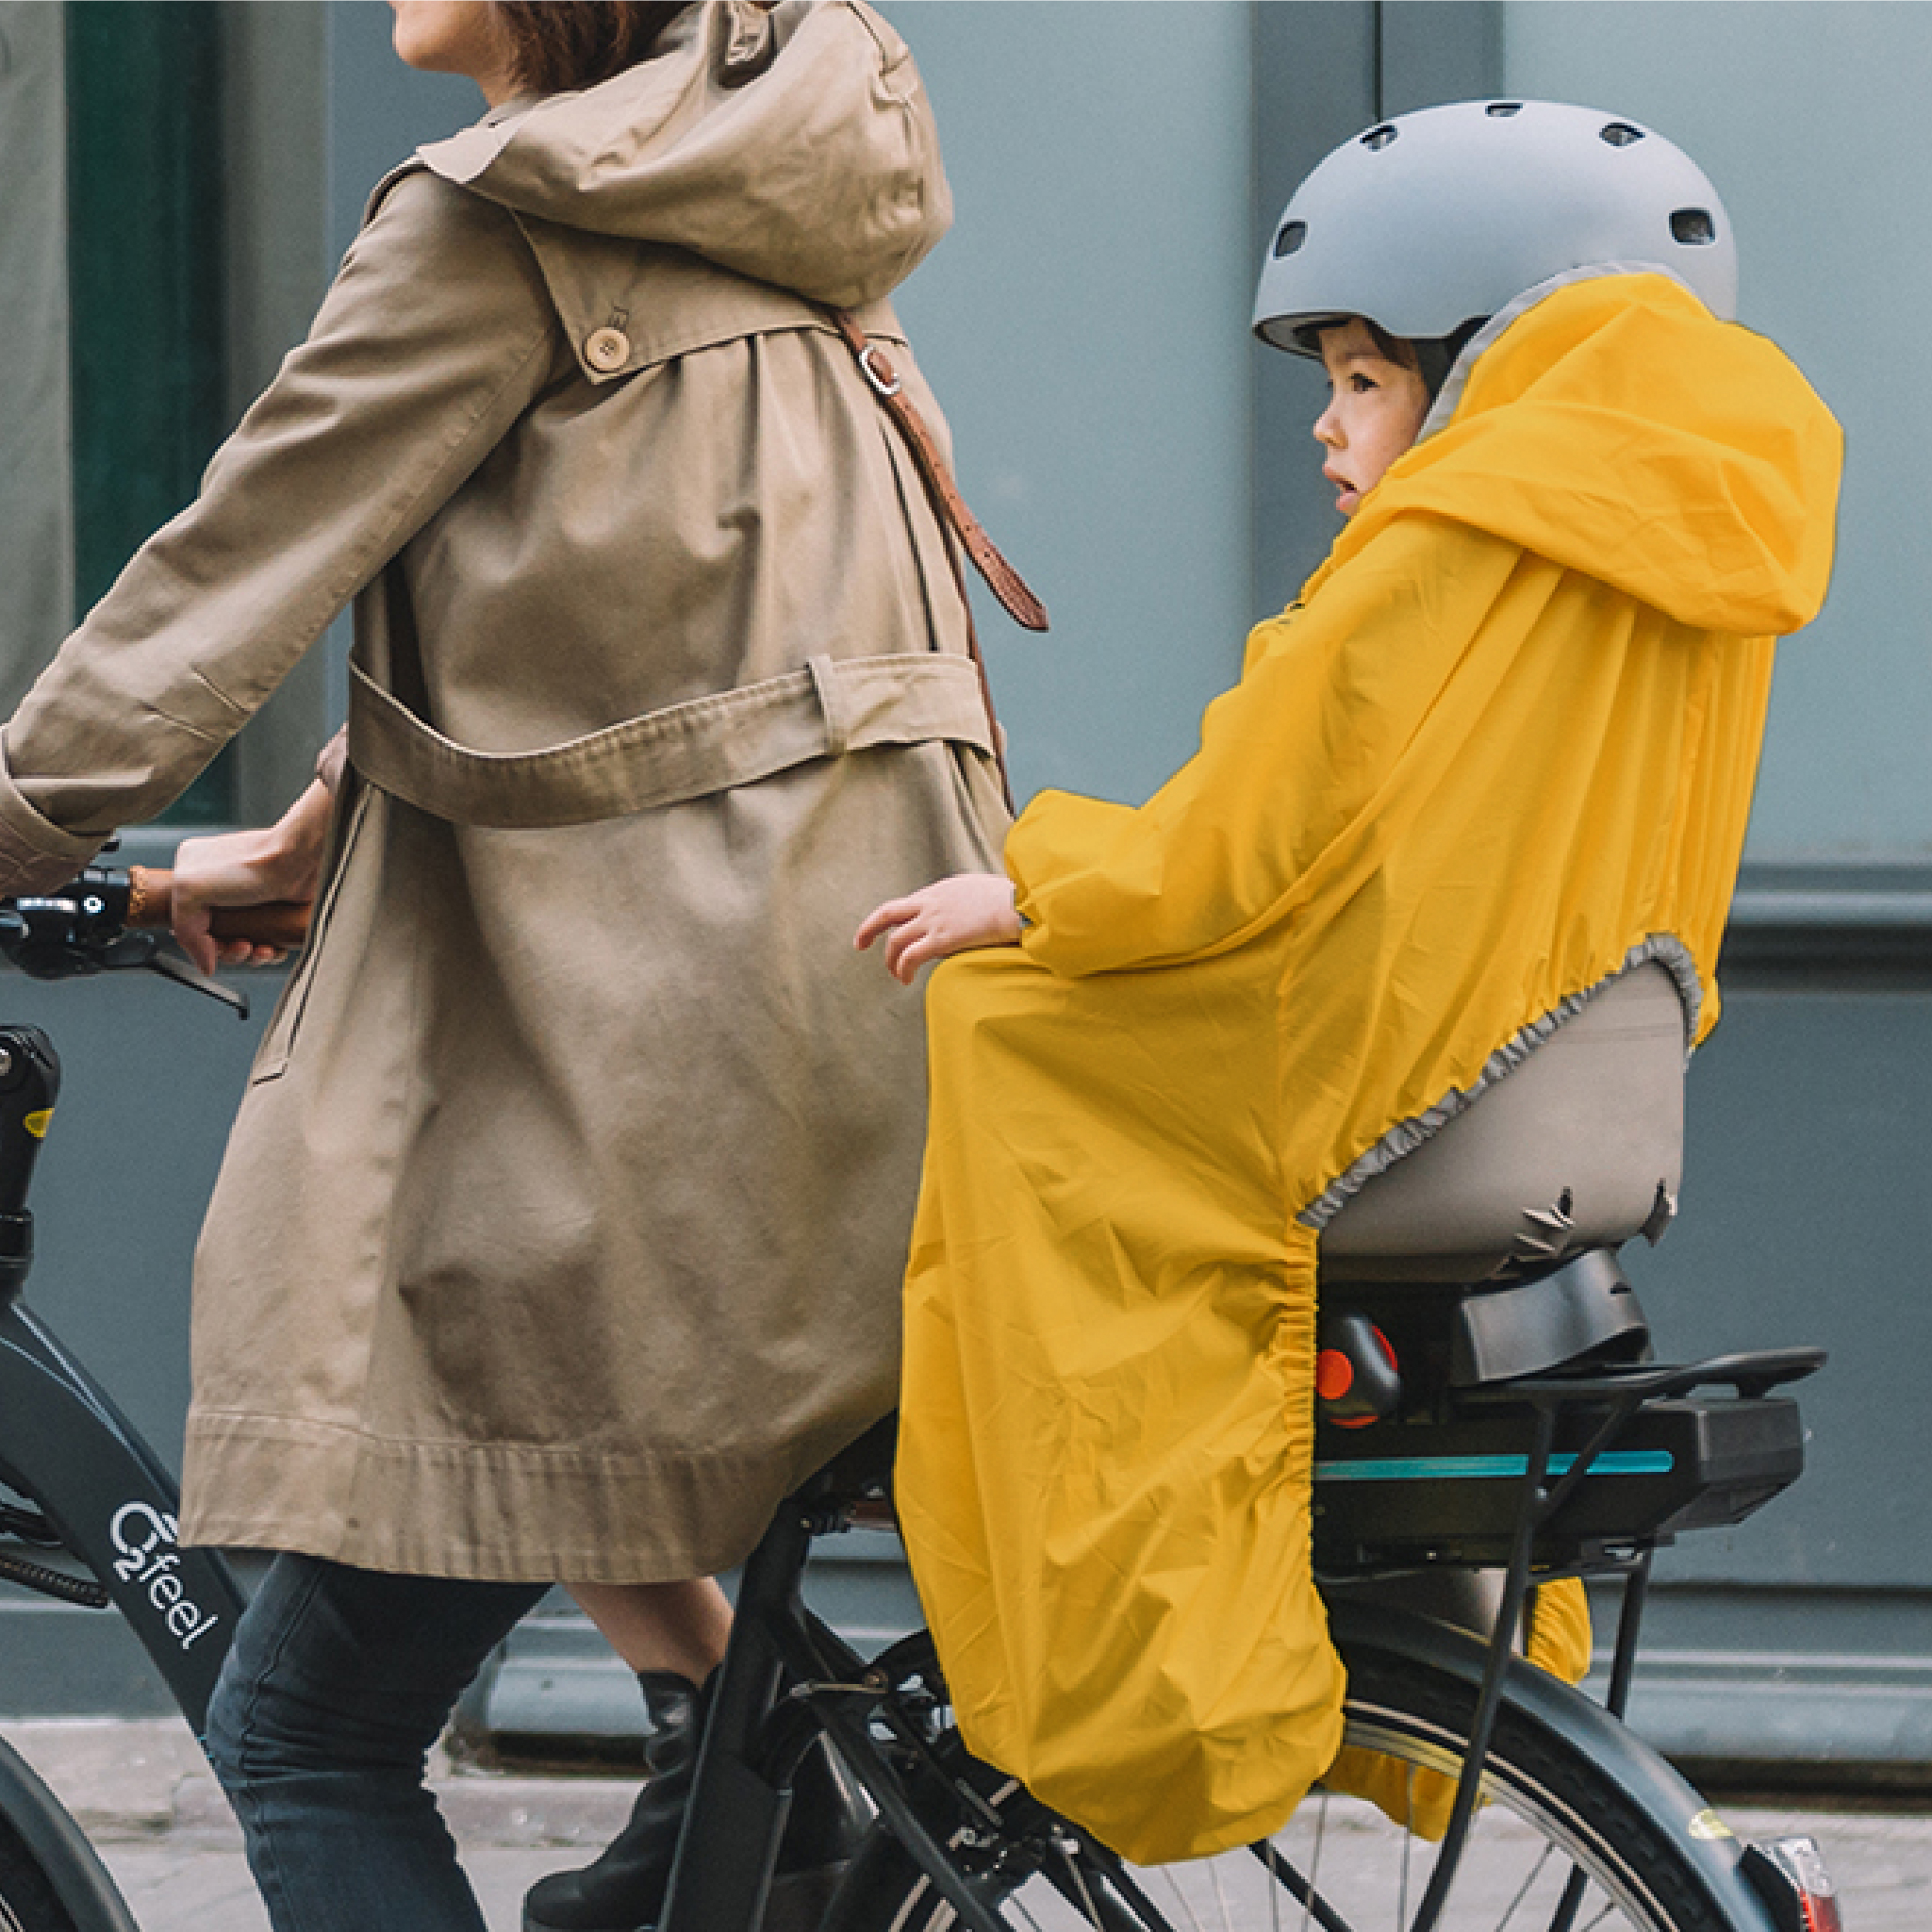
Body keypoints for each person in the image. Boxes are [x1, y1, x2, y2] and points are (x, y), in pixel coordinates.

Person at [0, 4, 1011, 1928]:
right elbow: (662, 620)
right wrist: (323, 817)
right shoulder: (795, 213)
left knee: (307, 1728)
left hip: (642, 1068)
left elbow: (217, 583)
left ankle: (744, 1766)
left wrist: (21, 818)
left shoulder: (498, 216)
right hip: (869, 1055)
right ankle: (742, 1769)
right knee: (566, 1526)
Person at [857, 98, 1841, 1865]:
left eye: (1365, 378)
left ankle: (1156, 1700)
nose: (1326, 423)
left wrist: (1029, 885)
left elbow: (1246, 835)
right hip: (1556, 1094)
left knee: (1016, 1046)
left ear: (1482, 366)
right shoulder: (1687, 538)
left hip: (1378, 1085)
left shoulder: (1450, 534)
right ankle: (1394, 1683)